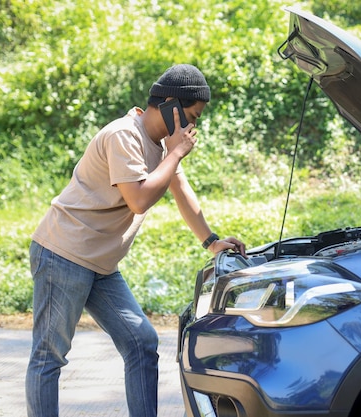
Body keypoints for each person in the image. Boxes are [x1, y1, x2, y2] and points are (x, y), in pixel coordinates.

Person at [25, 64, 246, 417]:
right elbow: (139, 199)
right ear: (171, 106)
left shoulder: (160, 144)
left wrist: (212, 241)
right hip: (63, 254)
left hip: (100, 264)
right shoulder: (124, 135)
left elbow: (179, 188)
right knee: (49, 355)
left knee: (142, 343)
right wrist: (175, 153)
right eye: (191, 116)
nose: (193, 128)